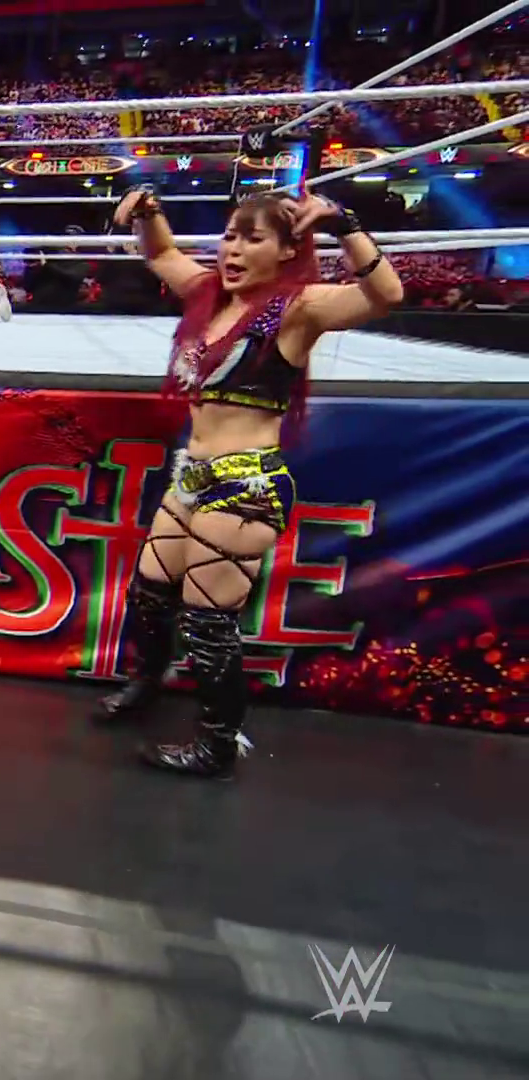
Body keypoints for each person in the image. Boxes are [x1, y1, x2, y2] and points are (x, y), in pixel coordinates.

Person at [98, 187, 404, 779]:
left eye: (252, 239)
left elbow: (386, 295)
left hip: (244, 487)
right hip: (191, 477)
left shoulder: (298, 309)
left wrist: (344, 223)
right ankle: (147, 685)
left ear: (288, 250)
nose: (233, 250)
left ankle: (217, 744)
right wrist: (149, 211)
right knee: (151, 594)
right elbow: (161, 254)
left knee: (208, 621)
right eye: (230, 236)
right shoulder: (208, 295)